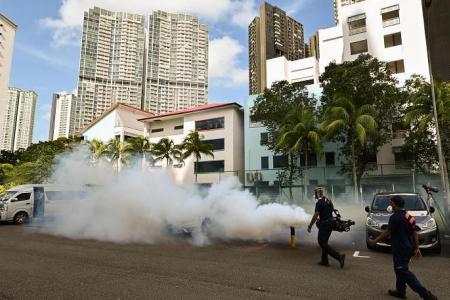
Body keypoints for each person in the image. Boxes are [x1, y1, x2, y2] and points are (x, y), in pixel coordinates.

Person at [369, 195, 437, 300]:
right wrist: (417, 248)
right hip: (407, 248)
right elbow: (414, 232)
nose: (390, 205)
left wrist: (375, 241)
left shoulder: (394, 217)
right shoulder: (408, 216)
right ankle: (400, 291)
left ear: (395, 205)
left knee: (403, 271)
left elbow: (388, 232)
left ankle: (425, 294)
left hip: (400, 249)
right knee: (399, 269)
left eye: (391, 203)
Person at [307, 187, 345, 268]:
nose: (315, 195)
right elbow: (331, 210)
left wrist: (310, 226)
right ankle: (324, 260)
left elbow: (315, 215)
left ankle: (339, 256)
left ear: (317, 193)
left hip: (325, 224)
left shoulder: (319, 202)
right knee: (325, 242)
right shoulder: (328, 200)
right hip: (330, 223)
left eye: (315, 193)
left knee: (321, 242)